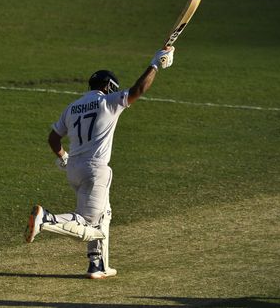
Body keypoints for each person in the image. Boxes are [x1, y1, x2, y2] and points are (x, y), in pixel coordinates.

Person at [24, 46, 175, 279]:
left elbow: (53, 137)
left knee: (104, 213)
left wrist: (63, 157)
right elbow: (139, 89)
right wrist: (155, 64)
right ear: (108, 86)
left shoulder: (72, 107)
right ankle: (46, 220)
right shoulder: (109, 101)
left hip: (73, 168)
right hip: (95, 170)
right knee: (88, 222)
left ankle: (98, 265)